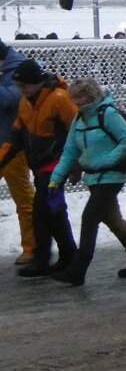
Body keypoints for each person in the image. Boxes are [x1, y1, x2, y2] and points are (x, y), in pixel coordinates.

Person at [47, 78, 126, 285]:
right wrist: (56, 178)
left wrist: (108, 160)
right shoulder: (80, 119)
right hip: (94, 177)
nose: (76, 101)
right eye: (73, 97)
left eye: (80, 96)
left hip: (111, 177)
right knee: (113, 219)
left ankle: (78, 269)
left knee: (89, 218)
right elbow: (70, 151)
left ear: (92, 94)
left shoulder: (107, 114)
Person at [0, 58, 77, 277]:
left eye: (23, 86)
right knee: (53, 212)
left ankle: (43, 259)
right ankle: (67, 255)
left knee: (42, 212)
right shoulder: (26, 104)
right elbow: (15, 138)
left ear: (35, 83)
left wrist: (75, 165)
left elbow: (76, 131)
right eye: (18, 87)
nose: (20, 91)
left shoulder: (58, 99)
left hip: (55, 166)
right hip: (43, 166)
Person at [0, 39, 35, 264]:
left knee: (23, 198)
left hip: (13, 145)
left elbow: (10, 100)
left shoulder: (20, 68)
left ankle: (32, 247)